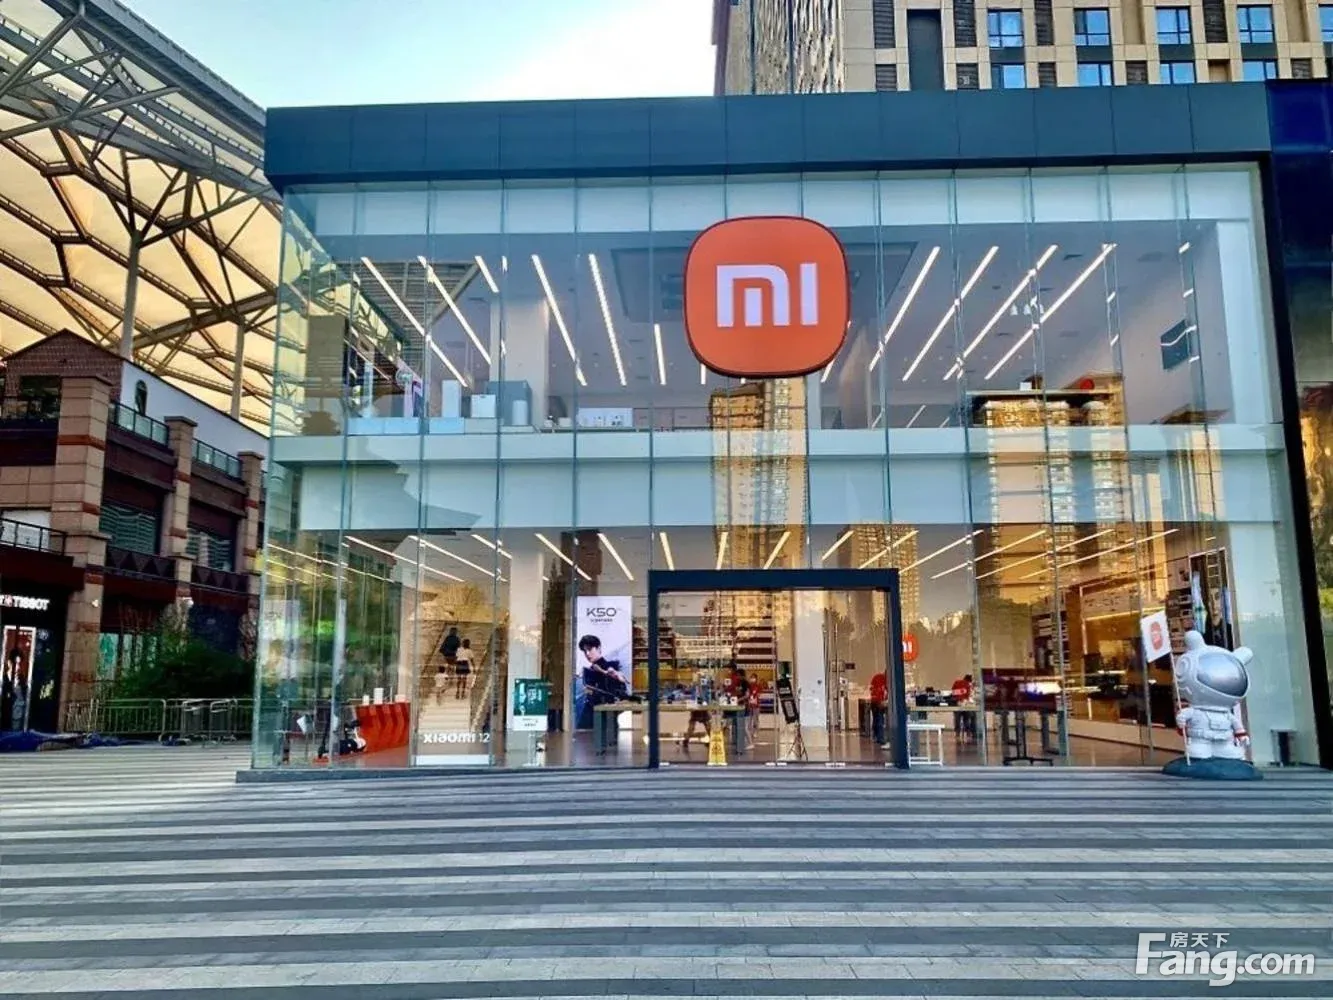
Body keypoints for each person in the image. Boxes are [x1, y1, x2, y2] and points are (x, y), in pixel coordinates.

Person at [951, 673, 976, 739]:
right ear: (970, 680)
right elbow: (969, 695)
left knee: (957, 719)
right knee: (966, 719)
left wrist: (960, 699)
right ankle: (968, 733)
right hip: (965, 704)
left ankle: (957, 733)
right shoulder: (969, 685)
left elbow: (953, 692)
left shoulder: (957, 682)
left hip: (958, 703)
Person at [869, 670, 889, 748]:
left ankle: (877, 736)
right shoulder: (879, 678)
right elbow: (875, 690)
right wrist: (881, 701)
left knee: (877, 719)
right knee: (879, 720)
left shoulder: (880, 678)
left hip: (877, 702)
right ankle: (879, 738)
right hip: (876, 702)